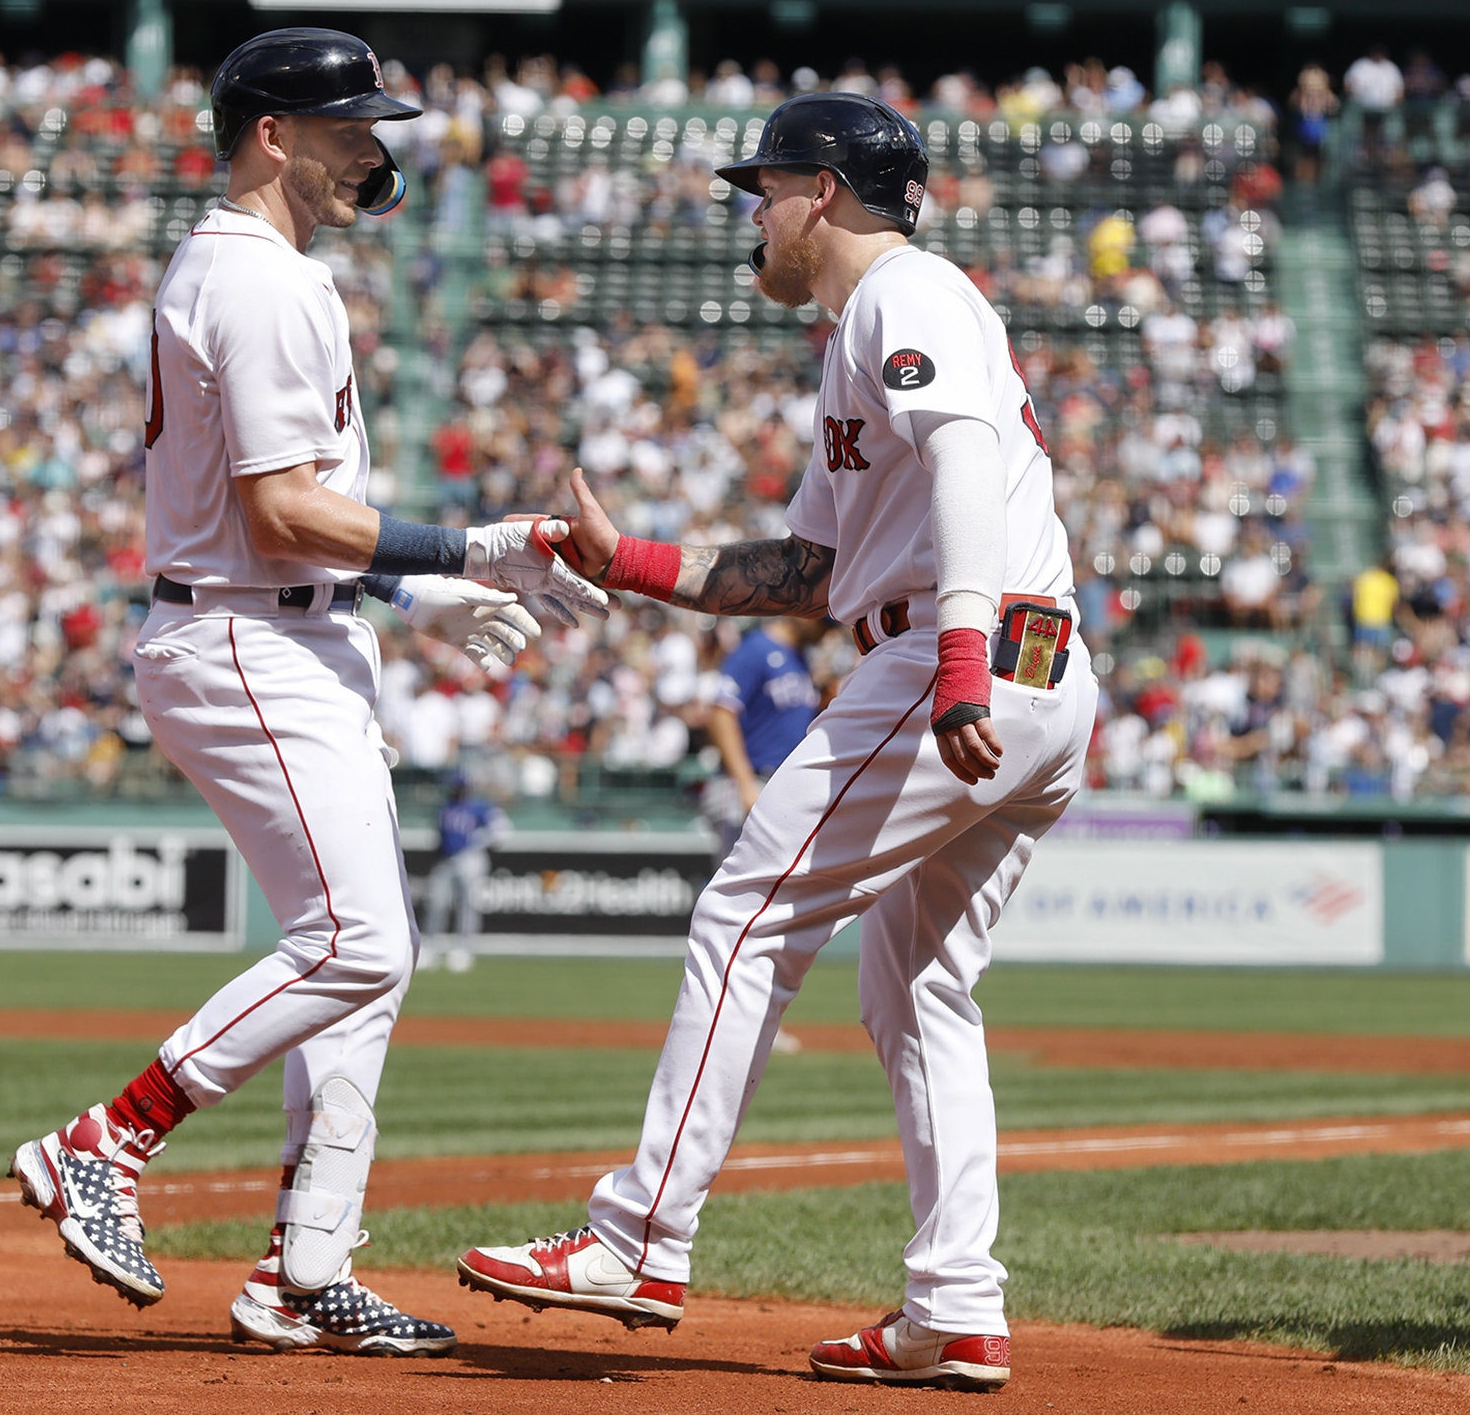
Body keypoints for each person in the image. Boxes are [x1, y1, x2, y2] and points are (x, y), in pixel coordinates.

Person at [456, 92, 1097, 1391]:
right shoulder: (871, 330)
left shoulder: (900, 295)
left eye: (764, 190)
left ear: (821, 190)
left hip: (959, 651)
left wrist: (959, 659)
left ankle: (638, 1234)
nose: (754, 214)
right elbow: (808, 566)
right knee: (916, 988)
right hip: (1035, 657)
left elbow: (967, 459)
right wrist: (627, 559)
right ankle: (956, 1306)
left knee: (742, 915)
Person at [7, 26, 607, 1357]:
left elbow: (294, 511)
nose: (372, 148)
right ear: (272, 132)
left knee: (362, 962)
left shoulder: (264, 270)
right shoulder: (263, 281)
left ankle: (302, 1268)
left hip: (292, 625)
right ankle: (109, 1137)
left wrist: (420, 591)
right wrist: (468, 546)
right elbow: (281, 512)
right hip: (246, 636)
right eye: (348, 125)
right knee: (362, 943)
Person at [704, 616, 830, 858]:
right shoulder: (756, 648)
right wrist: (745, 784)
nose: (825, 632)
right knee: (737, 887)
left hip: (784, 787)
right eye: (823, 623)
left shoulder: (799, 657)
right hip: (752, 779)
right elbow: (722, 713)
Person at [423, 771, 509, 940]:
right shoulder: (446, 807)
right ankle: (429, 945)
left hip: (469, 858)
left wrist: (479, 840)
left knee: (467, 904)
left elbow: (502, 830)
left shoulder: (479, 807)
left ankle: (463, 947)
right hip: (446, 858)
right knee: (436, 902)